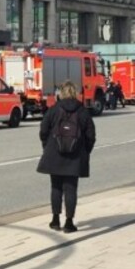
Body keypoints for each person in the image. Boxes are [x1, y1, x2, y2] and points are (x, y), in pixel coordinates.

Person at [37, 81, 96, 233]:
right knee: (71, 189)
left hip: (54, 154)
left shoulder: (54, 109)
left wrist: (47, 146)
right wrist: (85, 151)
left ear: (61, 93)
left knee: (55, 187)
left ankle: (55, 220)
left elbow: (43, 130)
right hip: (75, 156)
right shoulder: (82, 111)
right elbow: (91, 136)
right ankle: (69, 222)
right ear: (75, 93)